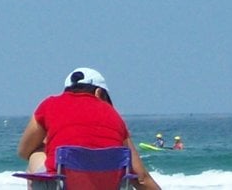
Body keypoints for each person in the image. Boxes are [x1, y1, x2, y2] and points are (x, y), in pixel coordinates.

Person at [17, 67, 160, 190]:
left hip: (61, 185)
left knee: (36, 152)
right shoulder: (115, 116)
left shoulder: (50, 105)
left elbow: (24, 151)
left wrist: (48, 148)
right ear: (99, 93)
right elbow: (141, 178)